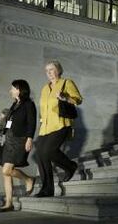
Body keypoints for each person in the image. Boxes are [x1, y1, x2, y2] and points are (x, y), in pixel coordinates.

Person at [34, 60, 82, 197]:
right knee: (40, 155)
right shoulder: (44, 88)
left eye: (51, 69)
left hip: (61, 124)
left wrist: (65, 97)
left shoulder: (67, 83)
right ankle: (47, 189)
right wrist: (41, 121)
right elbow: (43, 109)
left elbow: (78, 99)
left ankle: (70, 166)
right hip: (46, 127)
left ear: (58, 70)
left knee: (48, 151)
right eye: (46, 70)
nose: (48, 73)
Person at [0, 80, 37, 212]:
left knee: (6, 170)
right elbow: (9, 122)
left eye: (12, 88)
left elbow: (31, 123)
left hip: (20, 140)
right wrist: (4, 131)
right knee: (6, 174)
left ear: (19, 89)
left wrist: (29, 138)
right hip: (9, 139)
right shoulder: (14, 105)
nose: (10, 91)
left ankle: (28, 179)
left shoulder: (29, 104)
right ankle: (9, 203)